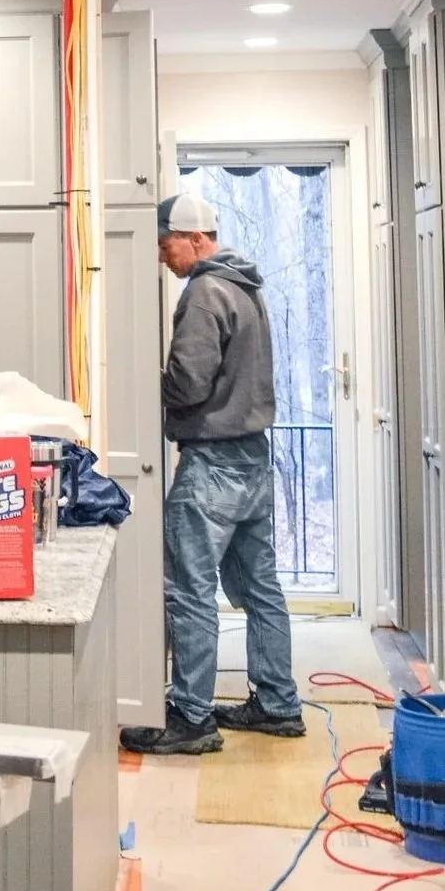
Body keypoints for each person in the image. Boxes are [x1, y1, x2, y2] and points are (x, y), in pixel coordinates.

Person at [120, 193, 304, 755]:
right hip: (253, 460)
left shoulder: (203, 291)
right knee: (260, 589)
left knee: (189, 589)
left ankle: (191, 717)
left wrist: (146, 376)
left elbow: (189, 384)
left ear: (195, 238)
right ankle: (277, 703)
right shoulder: (248, 288)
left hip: (212, 467)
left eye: (165, 243)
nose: (162, 256)